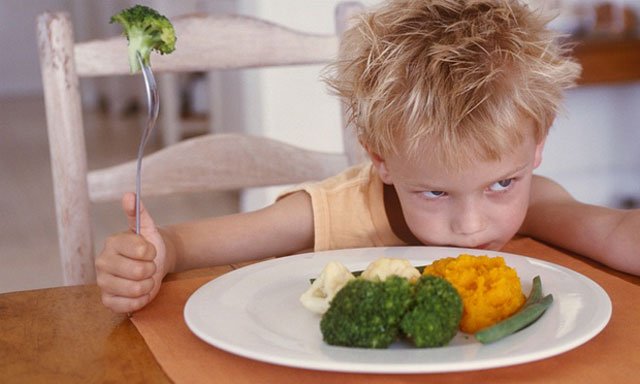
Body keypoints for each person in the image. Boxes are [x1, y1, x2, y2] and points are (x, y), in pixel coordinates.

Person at [96, 0, 640, 313]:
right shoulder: (341, 211)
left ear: (538, 143)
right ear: (379, 156)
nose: (473, 226)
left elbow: (616, 233)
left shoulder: (538, 205)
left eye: (502, 184)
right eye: (434, 192)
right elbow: (196, 244)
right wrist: (158, 251)